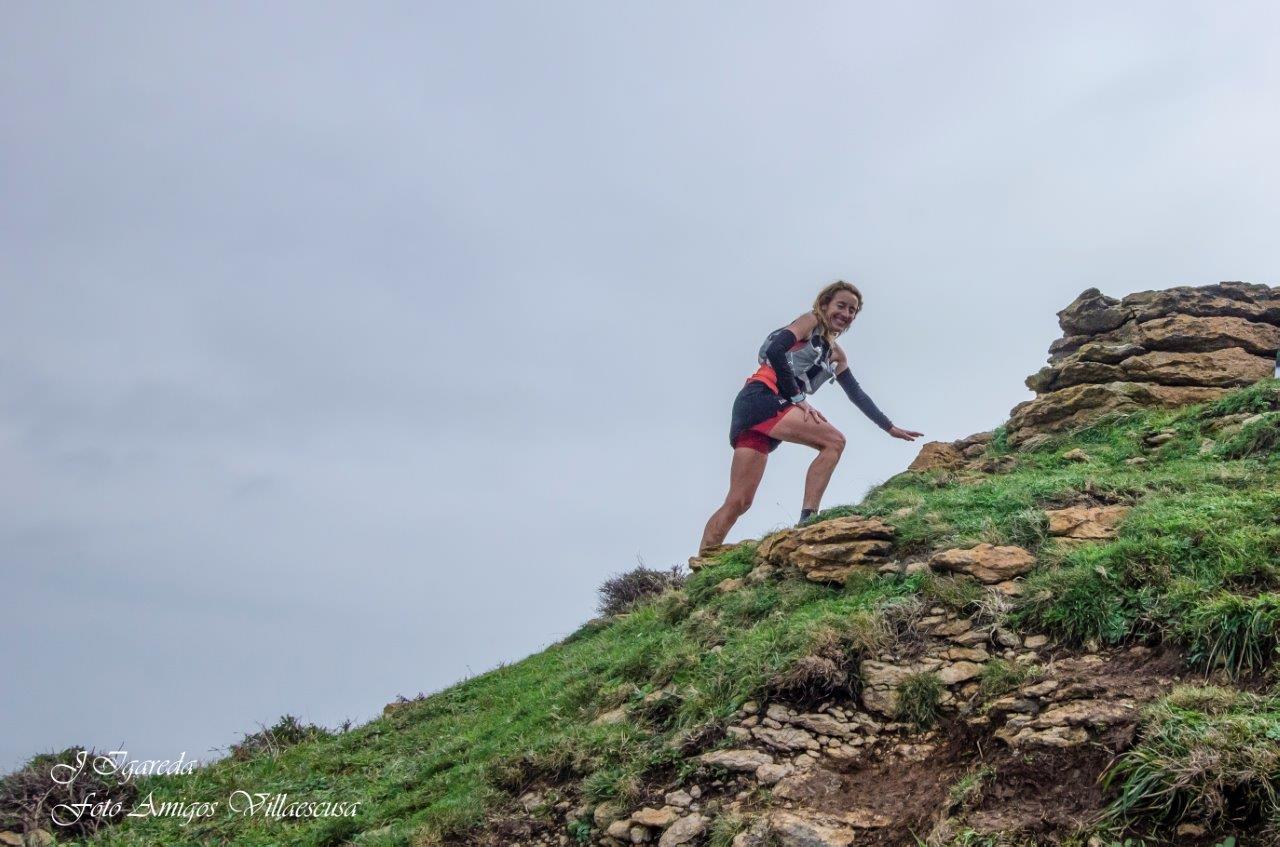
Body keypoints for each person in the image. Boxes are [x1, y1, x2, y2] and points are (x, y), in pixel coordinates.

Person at [698, 280, 923, 554]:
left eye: (853, 310)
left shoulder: (837, 355)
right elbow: (775, 350)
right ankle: (809, 520)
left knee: (740, 501)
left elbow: (856, 394)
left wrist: (889, 427)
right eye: (841, 306)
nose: (846, 314)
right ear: (825, 304)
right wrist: (798, 398)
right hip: (760, 398)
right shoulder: (810, 321)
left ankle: (703, 564)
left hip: (759, 410)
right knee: (834, 442)